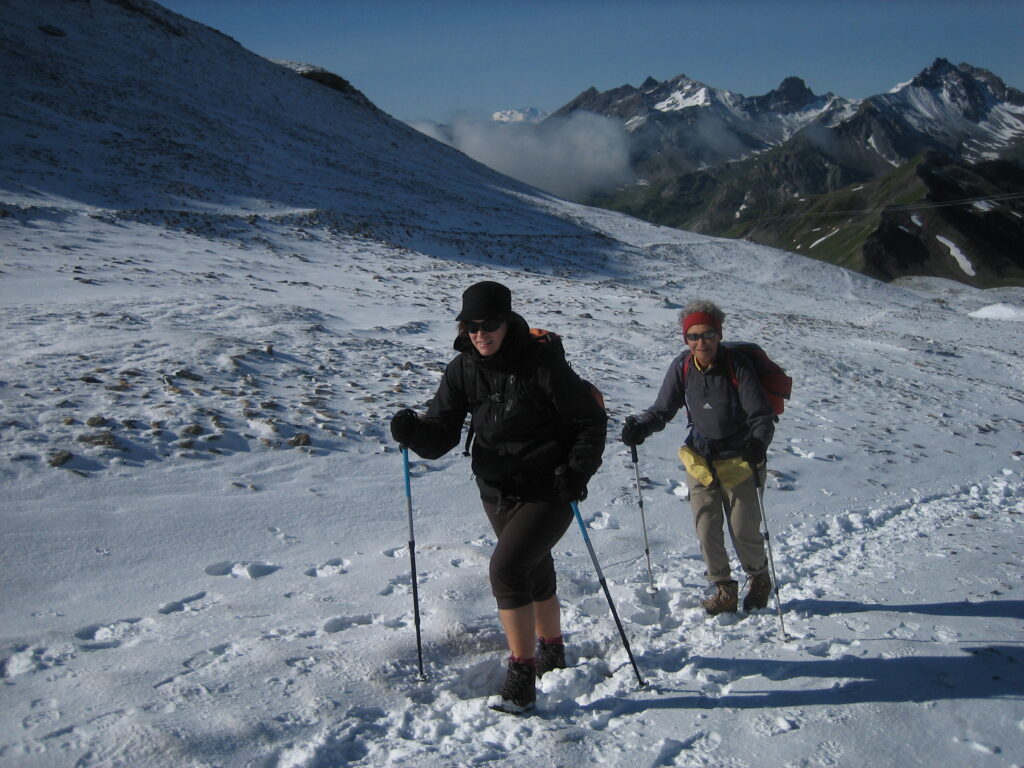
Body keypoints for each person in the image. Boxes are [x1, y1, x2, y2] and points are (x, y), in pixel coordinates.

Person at [390, 280, 607, 712]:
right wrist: (414, 432)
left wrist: (577, 471)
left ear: (506, 322)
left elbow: (588, 421)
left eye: (488, 324)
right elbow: (442, 434)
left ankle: (522, 675)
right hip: (495, 490)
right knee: (532, 565)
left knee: (507, 568)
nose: (479, 333)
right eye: (471, 325)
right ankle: (551, 648)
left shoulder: (542, 365)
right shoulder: (463, 368)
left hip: (549, 488)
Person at [620, 300, 775, 615]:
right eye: (693, 336)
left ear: (719, 334)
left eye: (707, 334)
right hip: (701, 459)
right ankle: (723, 588)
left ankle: (759, 577)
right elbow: (664, 408)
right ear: (685, 338)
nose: (701, 342)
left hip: (742, 461)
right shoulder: (683, 367)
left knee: (743, 529)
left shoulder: (738, 367)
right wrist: (642, 427)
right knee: (706, 527)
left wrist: (758, 443)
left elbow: (761, 415)